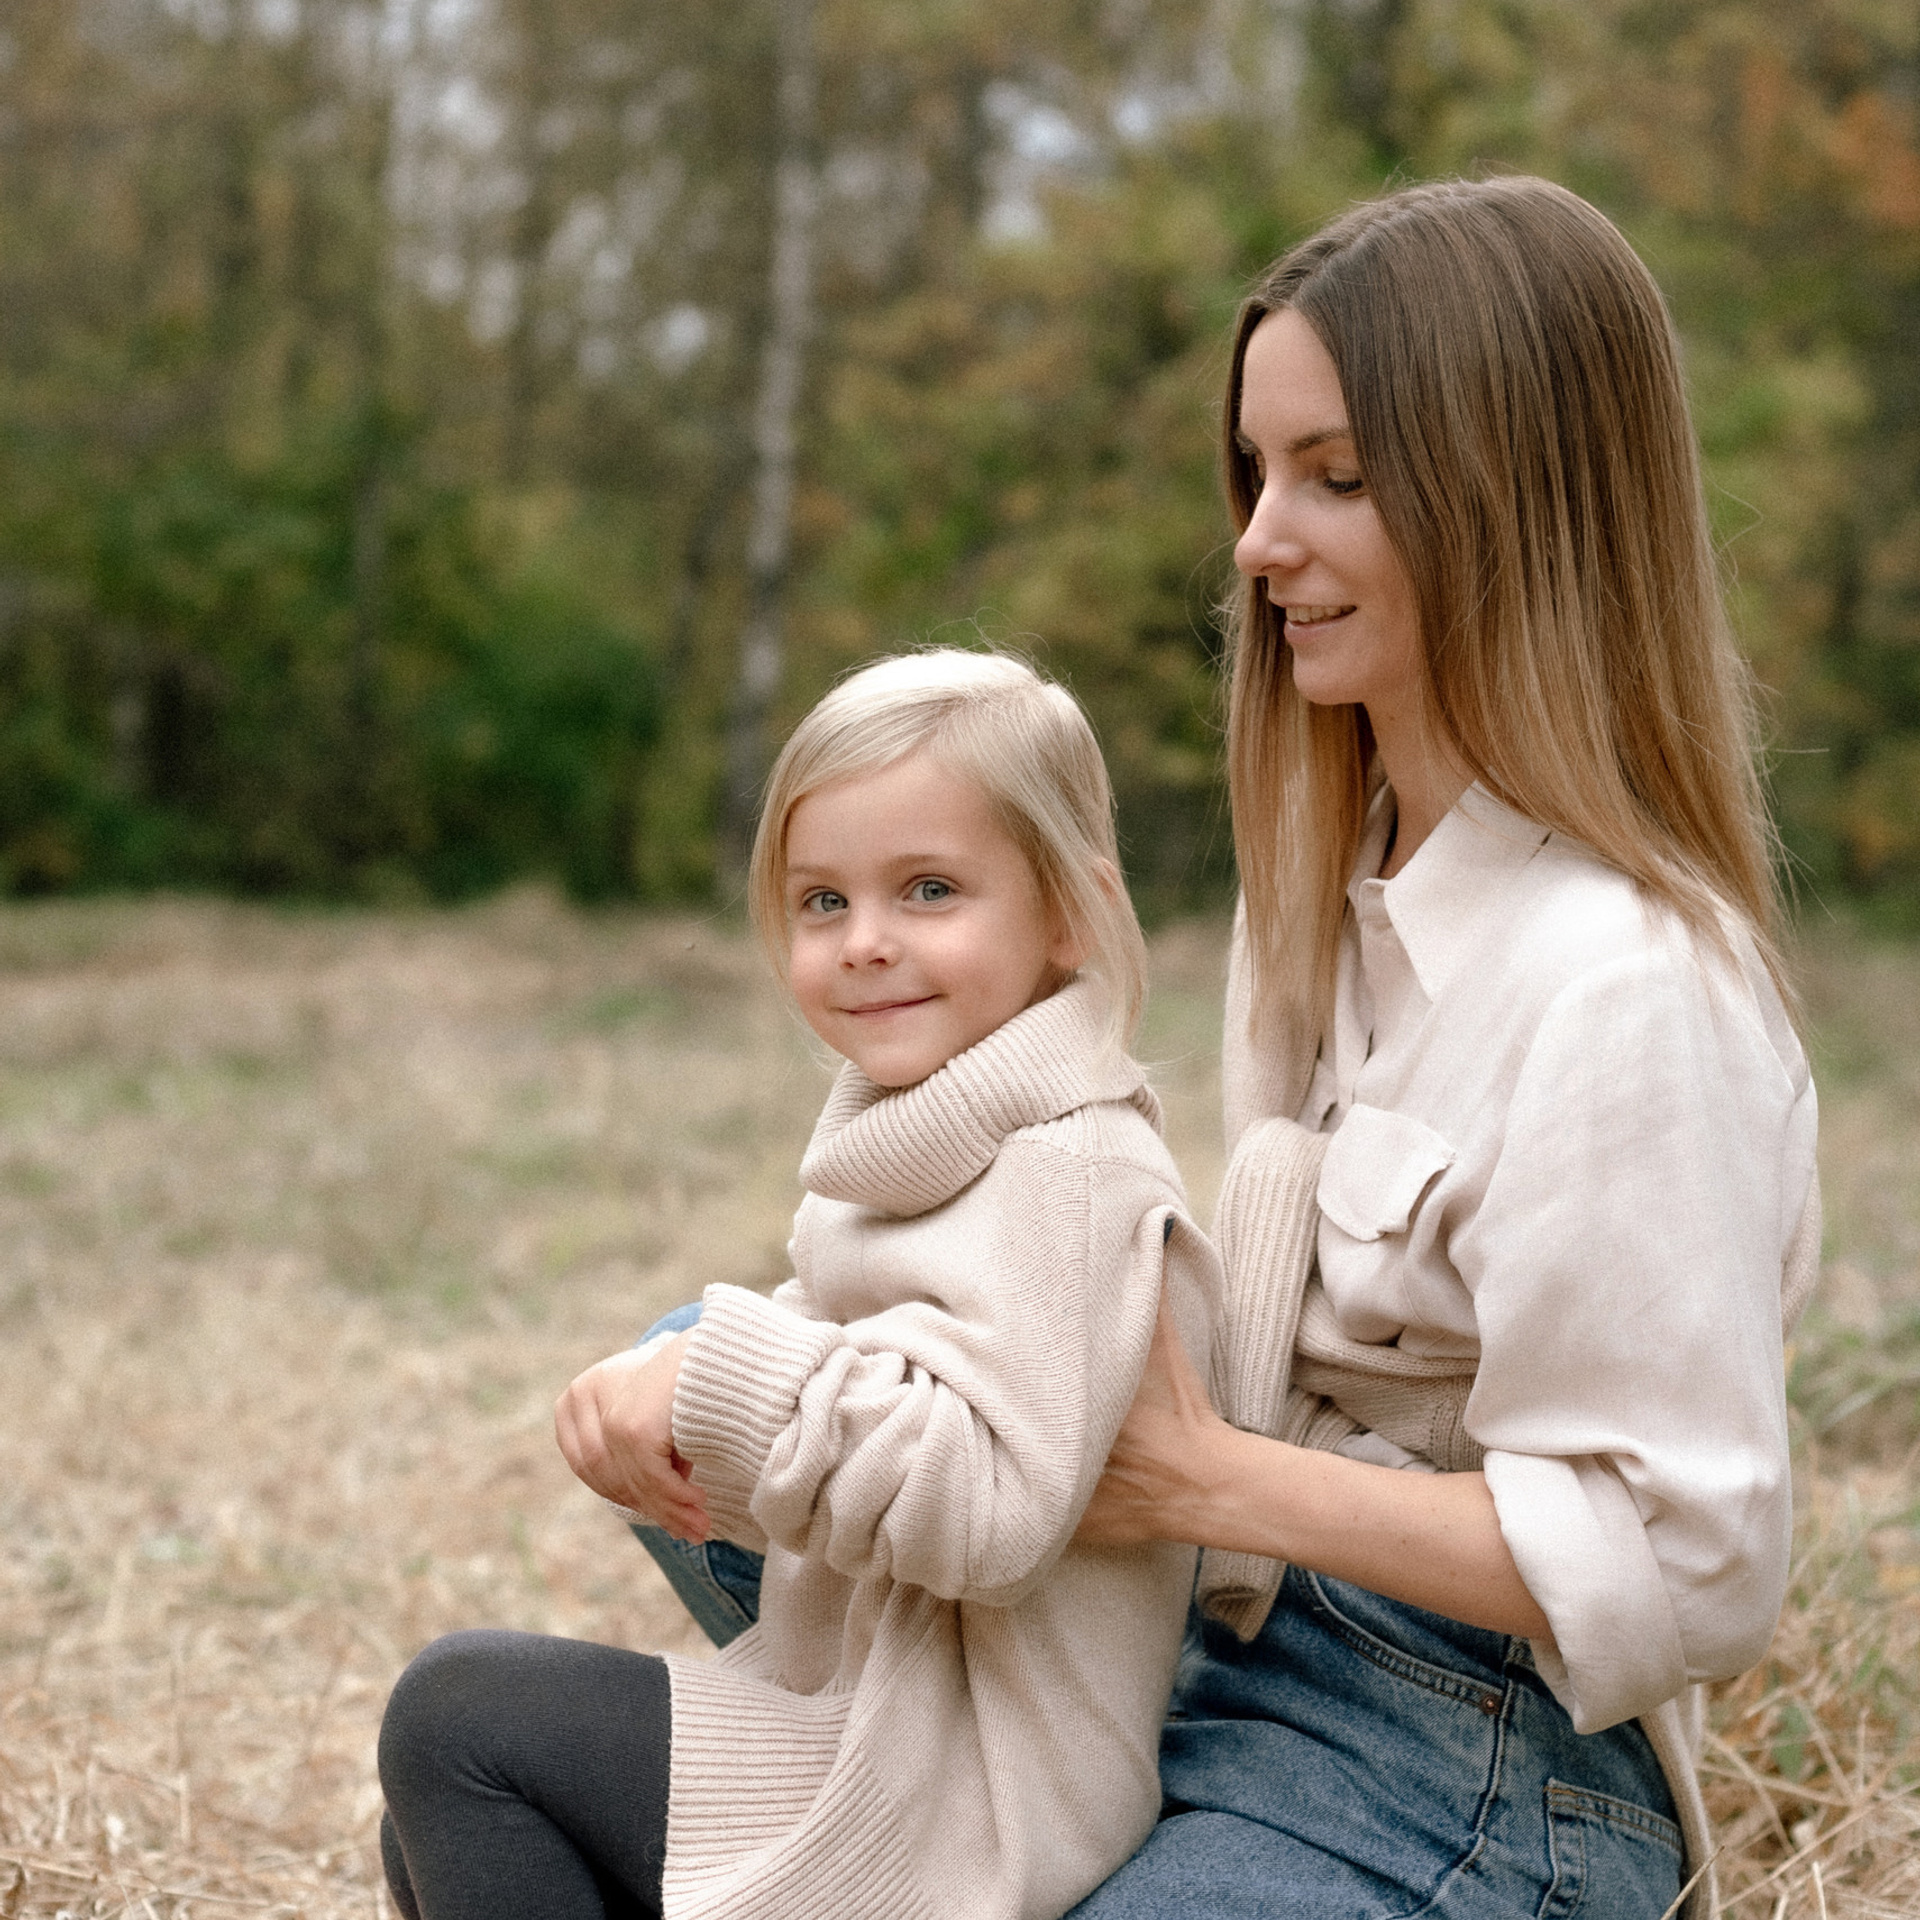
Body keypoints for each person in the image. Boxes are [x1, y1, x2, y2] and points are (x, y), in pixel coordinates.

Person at [603, 177, 1820, 1920]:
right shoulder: (1325, 898)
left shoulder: (1626, 986)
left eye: (1335, 475)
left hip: (1467, 1749)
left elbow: (1691, 1570)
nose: (1258, 540)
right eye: (1256, 476)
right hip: (1200, 1637)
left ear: (1517, 501)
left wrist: (1211, 1480)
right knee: (688, 1377)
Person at [376, 650, 1267, 1920]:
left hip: (972, 1788)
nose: (868, 943)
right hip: (867, 1715)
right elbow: (849, 1413)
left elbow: (997, 1504)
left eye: (930, 889)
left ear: (1069, 912)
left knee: (458, 1718)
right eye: (822, 902)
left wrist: (725, 1379)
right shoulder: (917, 1137)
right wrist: (668, 1428)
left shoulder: (1072, 1170)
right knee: (437, 1823)